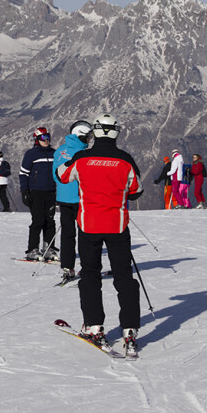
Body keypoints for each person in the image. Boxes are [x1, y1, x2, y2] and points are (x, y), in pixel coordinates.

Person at [56, 114, 143, 357]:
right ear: (116, 132)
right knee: (124, 278)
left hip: (88, 224)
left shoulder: (82, 157)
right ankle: (129, 331)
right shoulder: (125, 159)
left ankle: (94, 326)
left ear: (94, 132)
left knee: (90, 276)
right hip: (117, 226)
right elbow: (136, 190)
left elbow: (62, 176)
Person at [52, 120, 92, 282]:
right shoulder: (86, 153)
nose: (89, 140)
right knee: (85, 234)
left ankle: (67, 267)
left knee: (67, 234)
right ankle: (87, 266)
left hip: (63, 199)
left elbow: (56, 175)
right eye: (87, 136)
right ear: (80, 136)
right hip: (82, 198)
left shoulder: (60, 150)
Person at [19, 126, 57, 261]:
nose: (46, 140)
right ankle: (32, 249)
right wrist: (24, 191)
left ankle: (49, 248)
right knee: (38, 221)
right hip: (36, 192)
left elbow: (58, 173)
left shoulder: (54, 153)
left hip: (51, 192)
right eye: (43, 138)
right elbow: (23, 173)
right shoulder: (31, 154)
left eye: (48, 137)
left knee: (50, 221)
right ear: (37, 139)